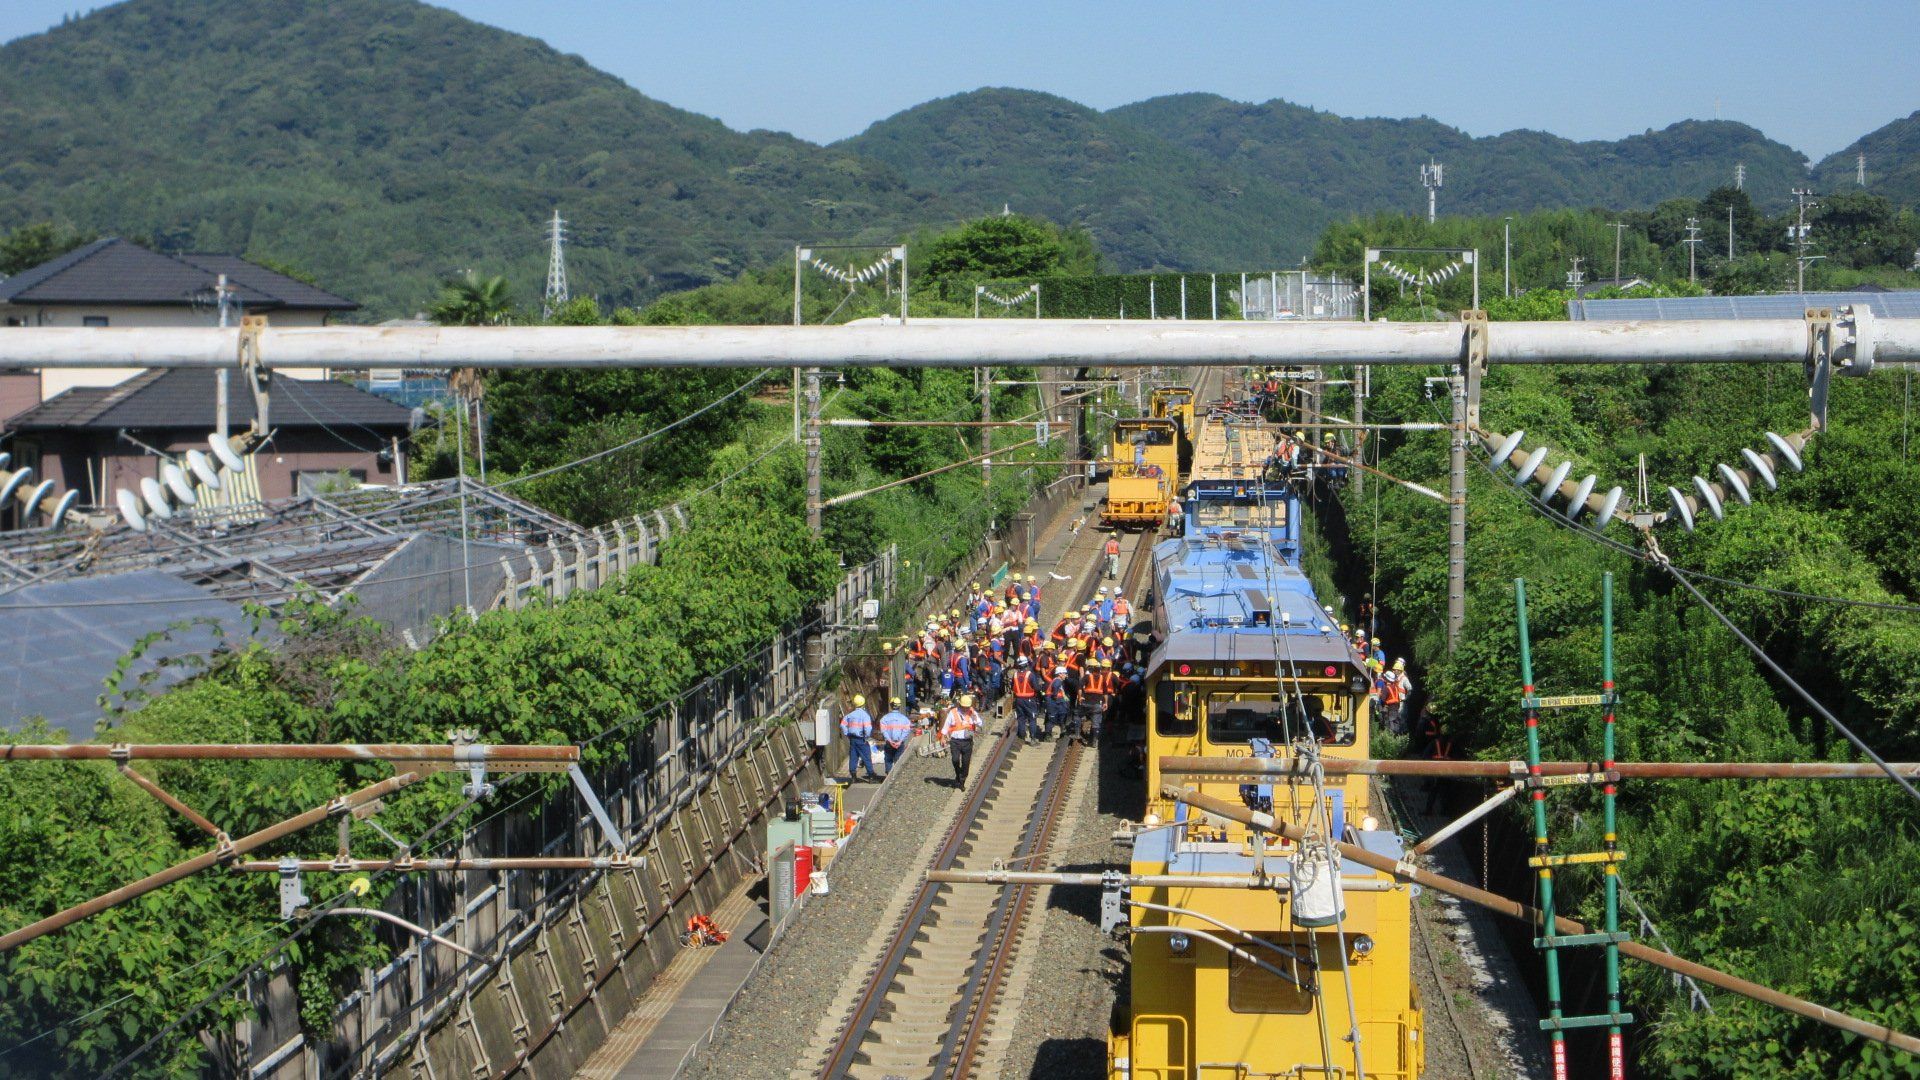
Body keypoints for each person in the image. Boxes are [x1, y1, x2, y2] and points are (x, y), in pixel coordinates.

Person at [941, 693, 983, 787]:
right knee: (955, 760)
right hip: (955, 741)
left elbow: (980, 723)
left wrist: (975, 717)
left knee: (965, 763)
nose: (965, 709)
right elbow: (946, 725)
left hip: (967, 742)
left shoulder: (972, 713)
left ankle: (962, 779)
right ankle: (958, 774)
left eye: (967, 707)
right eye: (964, 707)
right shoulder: (953, 712)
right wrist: (943, 737)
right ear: (960, 705)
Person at [841, 695, 881, 783]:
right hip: (861, 739)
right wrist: (866, 737)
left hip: (852, 739)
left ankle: (853, 777)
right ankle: (871, 777)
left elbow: (843, 724)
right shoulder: (865, 715)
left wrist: (847, 733)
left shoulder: (850, 715)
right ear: (863, 703)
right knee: (866, 757)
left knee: (853, 757)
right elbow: (868, 728)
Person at [1008, 655, 1043, 744]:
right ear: (1026, 664)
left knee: (1021, 718)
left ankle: (1022, 737)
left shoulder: (1015, 675)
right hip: (1029, 700)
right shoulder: (1030, 675)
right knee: (1032, 718)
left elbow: (1012, 687)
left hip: (1019, 700)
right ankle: (1033, 739)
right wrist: (1040, 687)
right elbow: (1036, 687)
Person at [1078, 658, 1114, 742]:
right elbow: (1105, 693)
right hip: (1097, 704)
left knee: (1077, 715)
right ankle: (1094, 740)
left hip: (1086, 703)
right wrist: (1105, 703)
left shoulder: (1087, 676)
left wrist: (1080, 697)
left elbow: (1080, 687)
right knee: (1096, 722)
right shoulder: (1103, 679)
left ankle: (1077, 733)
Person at [878, 698, 913, 773]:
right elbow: (906, 731)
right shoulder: (905, 719)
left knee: (888, 760)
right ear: (899, 706)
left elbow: (884, 731)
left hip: (889, 743)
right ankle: (896, 776)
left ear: (890, 705)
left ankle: (888, 775)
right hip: (899, 743)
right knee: (899, 760)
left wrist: (890, 741)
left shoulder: (884, 718)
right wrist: (900, 741)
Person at [1046, 664, 1075, 740]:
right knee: (1051, 718)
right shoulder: (1058, 681)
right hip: (1053, 701)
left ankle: (1062, 731)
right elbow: (1055, 688)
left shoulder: (1058, 680)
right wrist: (1055, 695)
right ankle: (1048, 736)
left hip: (1057, 701)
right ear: (1060, 674)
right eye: (1065, 673)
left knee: (1062, 714)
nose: (1066, 675)